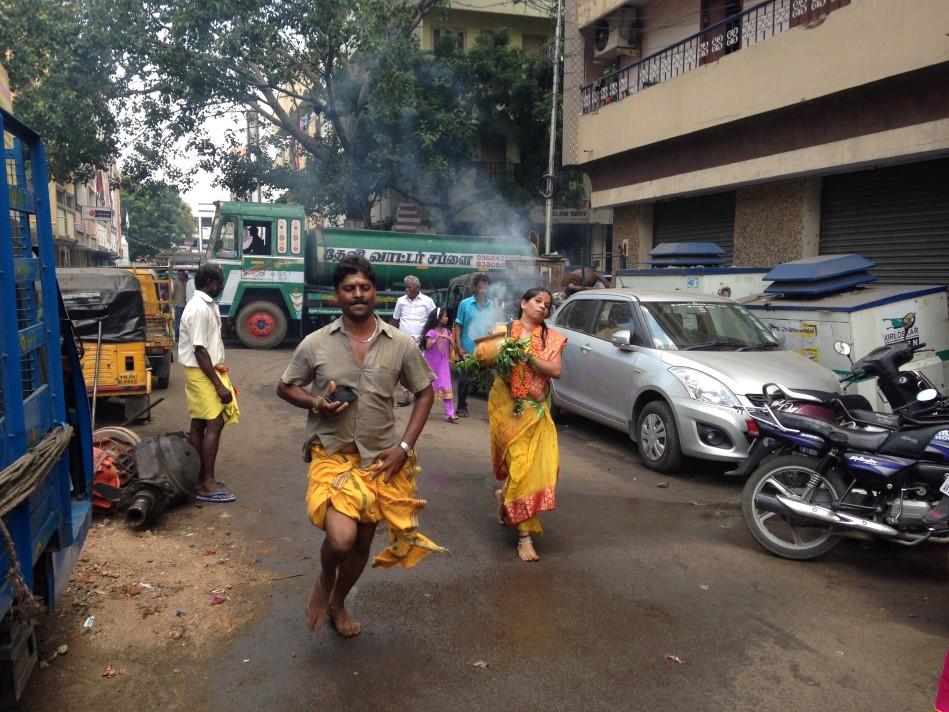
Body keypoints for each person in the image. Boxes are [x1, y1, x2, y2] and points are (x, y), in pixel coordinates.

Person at [276, 254, 444, 638]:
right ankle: (323, 581)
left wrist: (404, 445)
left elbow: (425, 392)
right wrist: (317, 402)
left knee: (361, 544)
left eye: (364, 288)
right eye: (349, 288)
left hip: (381, 460)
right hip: (333, 455)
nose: (357, 294)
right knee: (341, 538)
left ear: (375, 294)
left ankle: (338, 602)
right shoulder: (316, 343)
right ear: (336, 295)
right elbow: (285, 386)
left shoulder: (400, 343)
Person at [488, 287, 566, 562]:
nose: (543, 307)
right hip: (506, 407)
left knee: (538, 467)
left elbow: (555, 370)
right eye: (538, 301)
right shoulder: (504, 331)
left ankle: (506, 497)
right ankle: (524, 538)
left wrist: (528, 356)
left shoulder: (551, 338)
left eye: (548, 304)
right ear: (523, 303)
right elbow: (484, 358)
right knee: (520, 466)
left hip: (536, 410)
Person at [178, 264, 239, 503]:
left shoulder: (203, 305)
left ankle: (199, 478)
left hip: (203, 370)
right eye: (220, 282)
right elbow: (200, 350)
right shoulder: (199, 309)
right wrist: (218, 385)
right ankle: (206, 483)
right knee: (214, 422)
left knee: (199, 424)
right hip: (202, 371)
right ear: (211, 282)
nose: (221, 286)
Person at [453, 273, 501, 417]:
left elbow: (495, 326)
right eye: (481, 287)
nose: (483, 290)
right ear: (474, 288)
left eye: (486, 287)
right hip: (468, 349)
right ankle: (461, 406)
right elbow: (458, 325)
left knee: (491, 381)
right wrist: (458, 346)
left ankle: (493, 411)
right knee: (464, 380)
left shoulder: (492, 305)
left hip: (487, 349)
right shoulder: (465, 304)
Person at [392, 275, 435, 406]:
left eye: (409, 287)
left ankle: (420, 395)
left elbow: (434, 319)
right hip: (404, 340)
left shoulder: (427, 301)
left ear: (418, 288)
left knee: (420, 369)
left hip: (421, 341)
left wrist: (429, 336)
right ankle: (405, 397)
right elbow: (395, 320)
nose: (407, 290)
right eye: (405, 287)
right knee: (403, 367)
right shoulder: (400, 301)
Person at [421, 308, 459, 423]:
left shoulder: (447, 332)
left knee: (446, 387)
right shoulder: (431, 332)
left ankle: (450, 414)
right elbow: (428, 347)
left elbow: (455, 347)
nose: (447, 318)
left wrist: (450, 340)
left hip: (443, 365)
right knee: (429, 390)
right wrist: (437, 337)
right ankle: (424, 413)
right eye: (445, 316)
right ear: (439, 319)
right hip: (431, 365)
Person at [171, 269, 189, 341]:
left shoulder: (186, 281)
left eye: (182, 274)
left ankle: (183, 336)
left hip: (186, 305)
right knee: (178, 322)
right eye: (179, 274)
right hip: (178, 305)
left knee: (185, 322)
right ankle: (177, 337)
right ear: (177, 275)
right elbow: (172, 293)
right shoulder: (175, 282)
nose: (180, 276)